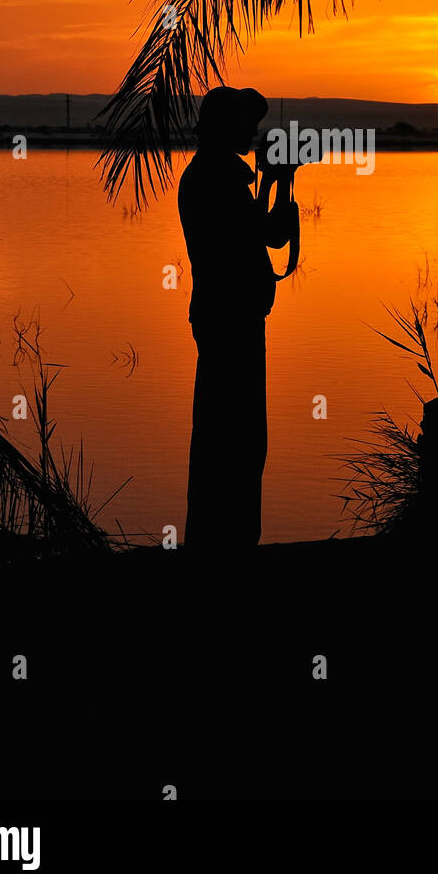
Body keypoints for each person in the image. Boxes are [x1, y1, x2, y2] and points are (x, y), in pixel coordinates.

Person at [178, 86, 297, 549]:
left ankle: (216, 537)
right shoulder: (219, 178)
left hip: (224, 317)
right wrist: (280, 183)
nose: (254, 132)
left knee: (222, 434)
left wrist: (273, 182)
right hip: (233, 321)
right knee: (239, 439)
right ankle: (230, 540)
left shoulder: (211, 174)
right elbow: (269, 234)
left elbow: (260, 234)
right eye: (246, 125)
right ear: (227, 129)